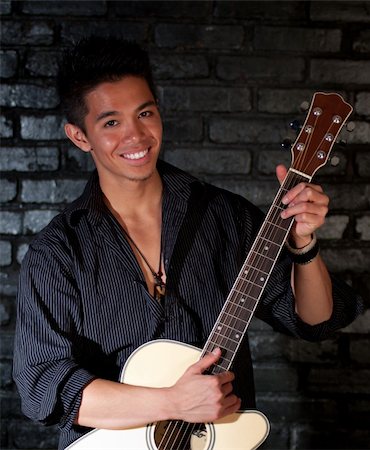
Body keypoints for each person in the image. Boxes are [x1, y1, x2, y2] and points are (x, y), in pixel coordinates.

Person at [13, 36, 362, 450]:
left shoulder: (225, 216)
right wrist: (171, 402)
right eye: (111, 122)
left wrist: (304, 245)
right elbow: (42, 385)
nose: (136, 136)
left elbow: (314, 321)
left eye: (145, 113)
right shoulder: (57, 251)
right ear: (79, 136)